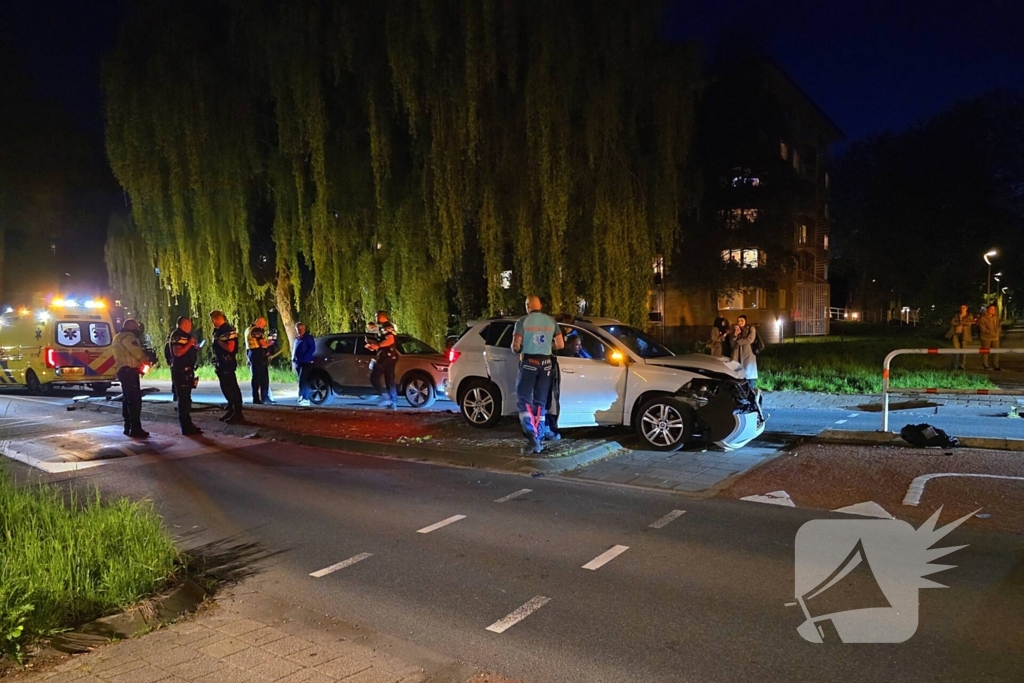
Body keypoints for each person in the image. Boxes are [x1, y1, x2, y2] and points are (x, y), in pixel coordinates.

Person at [512, 295, 564, 453]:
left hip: (529, 363)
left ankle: (532, 437)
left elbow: (515, 346)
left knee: (524, 400)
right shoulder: (551, 321)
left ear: (528, 306)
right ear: (540, 305)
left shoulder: (522, 322)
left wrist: (518, 349)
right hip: (546, 364)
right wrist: (547, 348)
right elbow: (560, 344)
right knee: (540, 402)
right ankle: (539, 436)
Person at [113, 319, 150, 438]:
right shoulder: (128, 337)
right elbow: (137, 352)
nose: (138, 330)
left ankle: (127, 426)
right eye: (136, 327)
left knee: (127, 399)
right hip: (129, 372)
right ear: (131, 328)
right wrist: (147, 360)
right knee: (134, 401)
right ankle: (135, 428)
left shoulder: (117, 337)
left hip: (122, 371)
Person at [168, 316, 202, 435]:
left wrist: (193, 347)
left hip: (186, 371)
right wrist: (190, 343)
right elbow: (178, 353)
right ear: (185, 324)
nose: (191, 326)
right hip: (181, 371)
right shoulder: (178, 335)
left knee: (186, 399)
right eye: (190, 324)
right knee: (184, 400)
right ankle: (186, 426)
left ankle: (188, 424)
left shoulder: (183, 336)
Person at [210, 310, 244, 423]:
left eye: (213, 320)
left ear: (218, 318)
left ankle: (238, 412)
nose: (212, 322)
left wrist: (218, 342)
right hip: (220, 362)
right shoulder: (218, 331)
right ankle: (231, 409)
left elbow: (230, 348)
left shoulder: (228, 330)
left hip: (227, 363)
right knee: (225, 387)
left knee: (232, 386)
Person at [366, 311, 399, 408]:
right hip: (389, 356)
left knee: (374, 377)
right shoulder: (385, 327)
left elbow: (390, 340)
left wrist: (378, 345)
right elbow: (384, 340)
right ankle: (393, 402)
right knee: (390, 379)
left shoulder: (387, 326)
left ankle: (386, 397)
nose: (375, 319)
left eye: (376, 316)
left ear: (381, 317)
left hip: (386, 357)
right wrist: (373, 345)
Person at [245, 317, 274, 404]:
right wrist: (270, 343)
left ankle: (257, 398)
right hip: (257, 354)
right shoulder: (256, 330)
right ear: (260, 323)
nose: (263, 327)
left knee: (255, 377)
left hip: (251, 353)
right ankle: (263, 398)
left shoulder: (248, 329)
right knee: (262, 377)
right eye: (263, 325)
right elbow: (263, 344)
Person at [731, 314, 758, 391]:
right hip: (737, 354)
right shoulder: (737, 329)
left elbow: (750, 339)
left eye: (742, 320)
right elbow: (732, 343)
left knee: (749, 374)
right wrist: (735, 334)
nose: (739, 322)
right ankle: (742, 393)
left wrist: (738, 341)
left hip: (748, 354)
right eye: (738, 320)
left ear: (746, 321)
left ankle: (752, 392)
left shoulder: (751, 328)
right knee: (739, 375)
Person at [292, 322, 316, 407]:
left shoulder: (308, 338)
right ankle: (304, 397)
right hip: (298, 362)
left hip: (306, 362)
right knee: (301, 380)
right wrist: (294, 359)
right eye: (297, 329)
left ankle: (303, 397)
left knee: (303, 380)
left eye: (300, 329)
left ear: (304, 328)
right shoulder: (297, 338)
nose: (299, 330)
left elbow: (312, 348)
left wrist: (305, 357)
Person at [946, 304, 974, 370]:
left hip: (965, 334)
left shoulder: (969, 316)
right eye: (961, 308)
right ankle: (954, 365)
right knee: (956, 349)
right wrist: (961, 323)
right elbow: (952, 322)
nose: (962, 309)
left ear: (966, 308)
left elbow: (969, 323)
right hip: (956, 334)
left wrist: (959, 322)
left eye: (963, 308)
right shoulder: (956, 315)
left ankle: (961, 365)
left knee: (963, 350)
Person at [979, 304, 1002, 372]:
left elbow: (999, 326)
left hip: (995, 337)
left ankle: (996, 365)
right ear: (987, 309)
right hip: (985, 337)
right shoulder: (982, 318)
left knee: (996, 351)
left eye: (994, 309)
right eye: (991, 309)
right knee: (985, 352)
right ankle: (985, 365)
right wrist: (991, 333)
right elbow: (982, 328)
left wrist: (997, 333)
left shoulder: (996, 318)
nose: (993, 310)